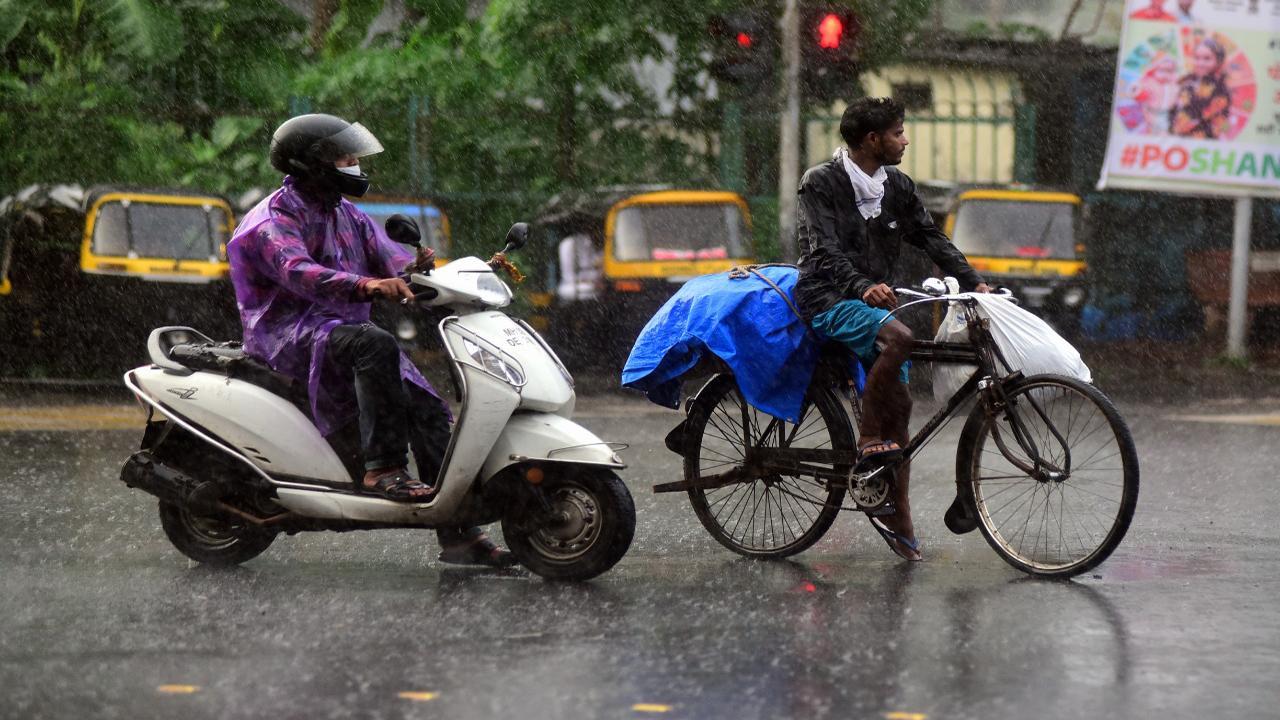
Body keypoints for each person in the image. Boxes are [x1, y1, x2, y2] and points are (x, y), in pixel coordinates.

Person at [227, 113, 513, 566]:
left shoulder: (348, 215)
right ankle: (382, 469)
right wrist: (366, 286)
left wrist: (434, 271)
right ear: (311, 163)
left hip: (342, 331)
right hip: (290, 334)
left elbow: (391, 265)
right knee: (376, 342)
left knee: (425, 405)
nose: (355, 165)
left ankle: (459, 534)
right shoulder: (272, 219)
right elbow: (296, 271)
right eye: (345, 157)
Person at [792, 97, 990, 562]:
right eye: (899, 132)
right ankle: (865, 443)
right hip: (826, 299)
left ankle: (898, 521)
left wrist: (972, 280)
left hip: (870, 303)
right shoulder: (820, 183)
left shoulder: (896, 186)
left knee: (901, 415)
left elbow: (930, 236)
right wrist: (861, 287)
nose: (906, 140)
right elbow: (821, 250)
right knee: (901, 338)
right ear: (871, 140)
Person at [1170, 38, 1232, 139]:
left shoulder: (1221, 89)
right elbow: (1174, 108)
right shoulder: (1187, 81)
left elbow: (1202, 116)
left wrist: (1179, 128)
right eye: (1197, 58)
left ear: (1219, 61)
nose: (1200, 63)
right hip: (1177, 137)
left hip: (1202, 140)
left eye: (1207, 59)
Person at [1131, 56, 1180, 134]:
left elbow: (1179, 101)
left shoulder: (1174, 85)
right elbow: (1137, 93)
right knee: (1153, 132)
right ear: (1155, 70)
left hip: (1168, 115)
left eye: (1169, 71)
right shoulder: (1149, 82)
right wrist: (1138, 87)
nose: (1165, 74)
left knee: (1167, 132)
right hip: (1152, 114)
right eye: (1162, 70)